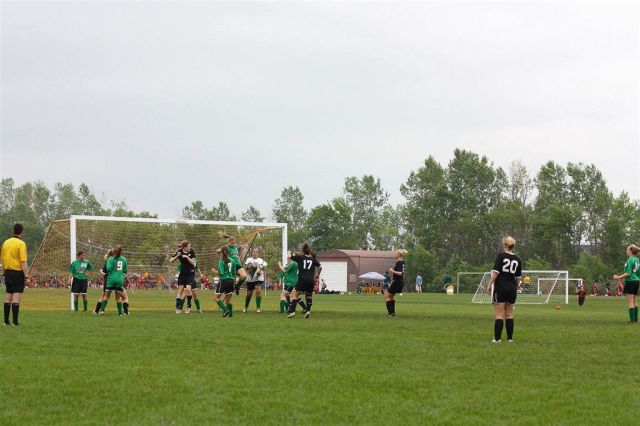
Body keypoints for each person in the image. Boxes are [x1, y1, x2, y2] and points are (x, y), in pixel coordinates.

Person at [486, 236, 522, 343]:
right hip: (512, 289)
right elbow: (518, 278)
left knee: (499, 315)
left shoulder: (501, 256)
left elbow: (495, 273)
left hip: (501, 288)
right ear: (513, 246)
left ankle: (497, 339)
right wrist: (516, 288)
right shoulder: (518, 259)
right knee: (509, 314)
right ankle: (510, 339)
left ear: (505, 245)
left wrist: (489, 284)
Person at [1, 223, 29, 326]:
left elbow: (3, 260)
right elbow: (23, 261)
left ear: (13, 231)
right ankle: (15, 322)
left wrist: (4, 273)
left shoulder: (6, 242)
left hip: (7, 272)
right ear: (22, 232)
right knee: (16, 297)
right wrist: (26, 276)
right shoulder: (21, 244)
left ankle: (6, 321)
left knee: (8, 296)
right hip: (17, 273)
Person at [288, 243, 321, 319]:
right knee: (309, 295)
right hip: (310, 280)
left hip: (302, 280)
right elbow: (320, 266)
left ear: (303, 251)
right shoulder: (312, 259)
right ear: (309, 251)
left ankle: (292, 312)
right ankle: (308, 311)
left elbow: (289, 257)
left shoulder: (300, 257)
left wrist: (289, 252)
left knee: (295, 295)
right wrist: (318, 274)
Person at [98, 245, 128, 316]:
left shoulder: (110, 259)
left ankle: (102, 311)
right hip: (119, 280)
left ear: (114, 251)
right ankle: (120, 314)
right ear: (121, 252)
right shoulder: (124, 259)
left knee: (106, 296)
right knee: (118, 298)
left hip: (111, 279)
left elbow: (108, 268)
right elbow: (125, 271)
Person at [613, 244, 640, 322]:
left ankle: (632, 320)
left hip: (630, 281)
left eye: (627, 250)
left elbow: (628, 273)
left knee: (630, 300)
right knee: (634, 300)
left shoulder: (630, 260)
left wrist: (618, 277)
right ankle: (635, 319)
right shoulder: (637, 259)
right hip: (636, 281)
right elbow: (638, 273)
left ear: (630, 251)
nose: (626, 251)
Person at [169, 241, 196, 314]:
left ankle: (188, 307)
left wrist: (187, 257)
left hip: (190, 273)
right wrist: (177, 256)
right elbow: (171, 261)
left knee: (188, 289)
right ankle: (178, 308)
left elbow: (194, 263)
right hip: (182, 273)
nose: (190, 247)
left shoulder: (192, 251)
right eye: (188, 246)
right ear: (184, 247)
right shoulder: (180, 251)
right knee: (180, 290)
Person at [211, 245, 236, 317]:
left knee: (216, 298)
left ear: (222, 253)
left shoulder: (221, 261)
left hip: (224, 280)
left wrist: (214, 271)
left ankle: (225, 310)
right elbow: (234, 273)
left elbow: (221, 273)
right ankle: (230, 315)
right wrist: (234, 284)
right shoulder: (232, 260)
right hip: (231, 280)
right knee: (229, 300)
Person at [384, 249, 407, 317]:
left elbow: (400, 273)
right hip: (398, 281)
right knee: (391, 296)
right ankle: (392, 313)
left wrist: (392, 270)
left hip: (398, 281)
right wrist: (393, 279)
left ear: (399, 254)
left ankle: (390, 313)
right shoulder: (401, 261)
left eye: (396, 253)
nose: (395, 255)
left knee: (387, 296)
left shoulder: (399, 262)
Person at [243, 247, 267, 313]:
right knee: (249, 294)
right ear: (252, 253)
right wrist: (251, 266)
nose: (255, 253)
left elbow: (264, 266)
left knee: (258, 290)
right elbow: (246, 267)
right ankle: (246, 306)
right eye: (253, 251)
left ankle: (258, 307)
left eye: (256, 252)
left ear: (258, 253)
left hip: (258, 278)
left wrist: (260, 267)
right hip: (250, 279)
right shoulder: (249, 259)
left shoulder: (261, 260)